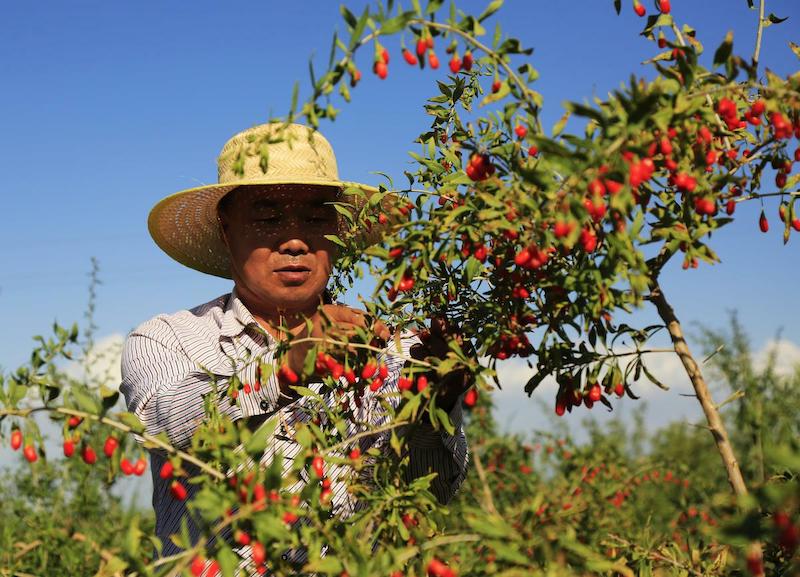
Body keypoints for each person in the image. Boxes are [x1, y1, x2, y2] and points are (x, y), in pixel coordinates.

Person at [119, 122, 470, 572]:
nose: (294, 240)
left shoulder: (388, 352)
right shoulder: (169, 339)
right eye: (267, 218)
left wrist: (434, 403)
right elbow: (172, 424)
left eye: (316, 218)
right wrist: (287, 366)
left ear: (338, 231)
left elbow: (429, 494)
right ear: (227, 233)